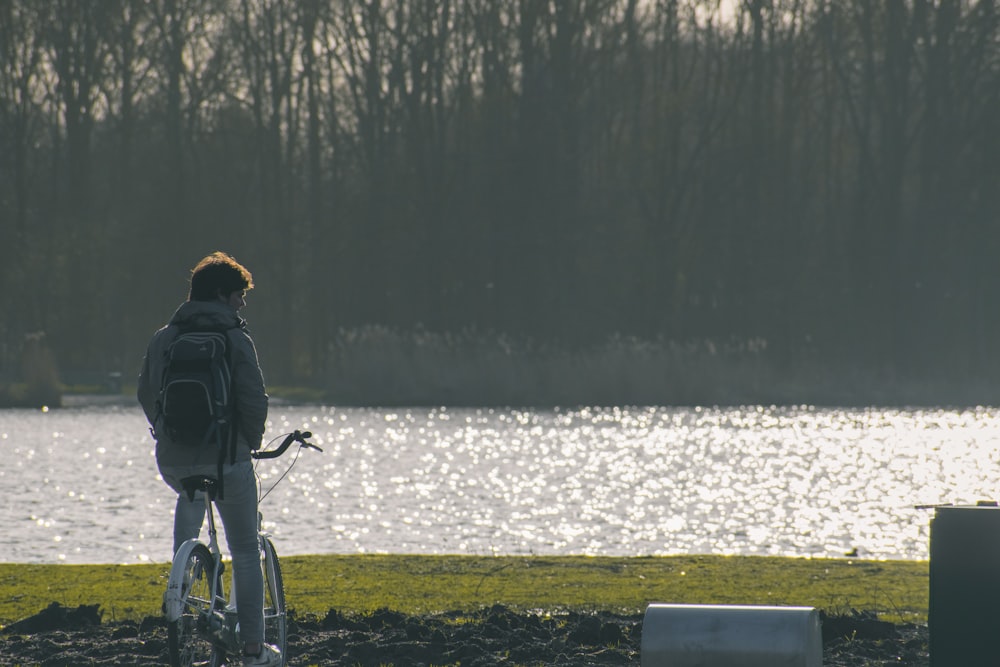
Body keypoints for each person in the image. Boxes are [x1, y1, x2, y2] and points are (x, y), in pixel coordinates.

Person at [137, 251, 279, 667]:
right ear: (221, 294)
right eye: (239, 295)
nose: (242, 304)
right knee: (246, 550)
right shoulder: (235, 338)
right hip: (228, 460)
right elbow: (254, 400)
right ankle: (253, 650)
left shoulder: (164, 337)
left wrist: (165, 433)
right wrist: (248, 443)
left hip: (175, 462)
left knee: (190, 502)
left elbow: (146, 393)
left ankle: (184, 580)